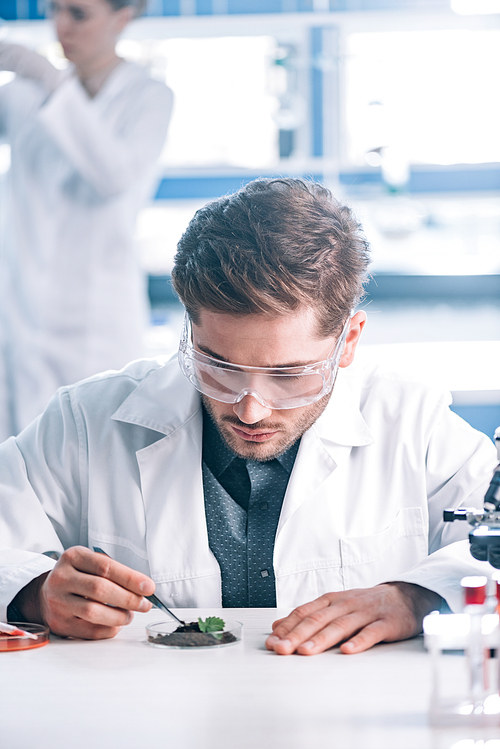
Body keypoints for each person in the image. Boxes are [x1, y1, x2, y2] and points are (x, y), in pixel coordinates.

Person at [0, 177, 496, 654]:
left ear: (348, 341)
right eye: (219, 367)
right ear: (191, 332)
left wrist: (414, 597)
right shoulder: (86, 422)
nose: (250, 409)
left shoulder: (413, 423)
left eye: (288, 375)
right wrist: (35, 594)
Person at [0, 0, 173, 440]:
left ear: (124, 15)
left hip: (96, 314)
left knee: (96, 449)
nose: (61, 26)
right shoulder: (21, 95)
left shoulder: (149, 97)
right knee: (21, 457)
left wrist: (55, 84)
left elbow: (112, 177)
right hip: (22, 306)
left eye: (78, 14)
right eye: (54, 10)